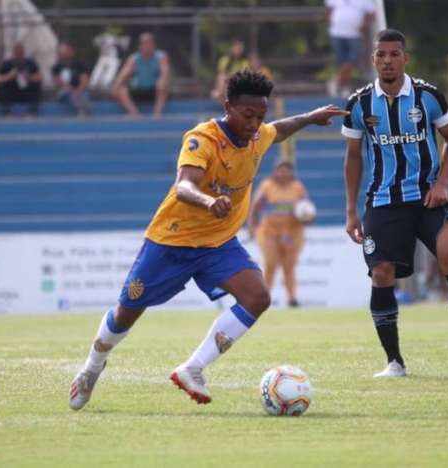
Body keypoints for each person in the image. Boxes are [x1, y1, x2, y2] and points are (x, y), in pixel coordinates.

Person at [68, 70, 346, 410]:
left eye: (260, 116)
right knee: (128, 311)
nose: (255, 124)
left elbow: (279, 130)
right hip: (172, 241)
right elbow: (184, 186)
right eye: (247, 115)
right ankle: (92, 368)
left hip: (217, 242)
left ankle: (193, 368)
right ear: (228, 107)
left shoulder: (259, 134)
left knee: (258, 296)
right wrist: (209, 201)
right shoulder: (203, 139)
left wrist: (311, 117)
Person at [342, 29, 448, 378]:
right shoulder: (359, 104)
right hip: (383, 200)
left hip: (428, 198)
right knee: (381, 274)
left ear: (405, 58)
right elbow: (353, 158)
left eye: (394, 54)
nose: (387, 60)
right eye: (381, 54)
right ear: (373, 59)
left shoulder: (428, 97)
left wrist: (443, 183)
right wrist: (351, 210)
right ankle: (394, 362)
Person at [249, 161, 309, 307]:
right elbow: (256, 207)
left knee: (289, 266)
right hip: (269, 232)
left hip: (292, 233)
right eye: (280, 171)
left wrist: (306, 217)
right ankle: (264, 298)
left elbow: (306, 209)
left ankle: (292, 298)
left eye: (286, 171)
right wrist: (252, 226)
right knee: (270, 264)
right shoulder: (267, 186)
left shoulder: (297, 188)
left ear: (291, 173)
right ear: (275, 172)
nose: (283, 174)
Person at [111, 32, 170, 117]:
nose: (147, 46)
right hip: (138, 90)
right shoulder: (134, 59)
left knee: (162, 84)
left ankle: (157, 113)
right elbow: (123, 74)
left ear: (153, 45)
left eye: (149, 43)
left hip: (155, 90)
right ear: (140, 46)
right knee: (120, 89)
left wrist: (162, 81)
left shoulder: (161, 56)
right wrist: (116, 86)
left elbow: (165, 73)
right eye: (145, 44)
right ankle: (135, 113)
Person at [325, 0, 375, 98]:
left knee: (352, 60)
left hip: (354, 35)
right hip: (336, 33)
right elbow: (329, 10)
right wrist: (331, 22)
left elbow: (372, 14)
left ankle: (337, 82)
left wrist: (363, 25)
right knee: (342, 61)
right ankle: (344, 86)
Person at [0, 43, 42, 116]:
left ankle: (33, 112)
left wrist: (29, 77)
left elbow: (39, 77)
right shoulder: (7, 64)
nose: (19, 56)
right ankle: (8, 113)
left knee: (36, 87)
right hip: (12, 91)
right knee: (3, 89)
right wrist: (9, 76)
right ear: (14, 53)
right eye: (17, 53)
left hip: (26, 90)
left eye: (21, 53)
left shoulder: (30, 63)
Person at [51, 43, 91, 116]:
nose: (64, 54)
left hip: (79, 90)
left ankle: (84, 110)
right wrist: (72, 91)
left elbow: (84, 80)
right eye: (61, 53)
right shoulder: (56, 67)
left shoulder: (80, 64)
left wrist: (78, 90)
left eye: (65, 52)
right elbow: (59, 82)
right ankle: (82, 110)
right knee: (68, 94)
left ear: (71, 52)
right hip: (65, 91)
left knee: (85, 95)